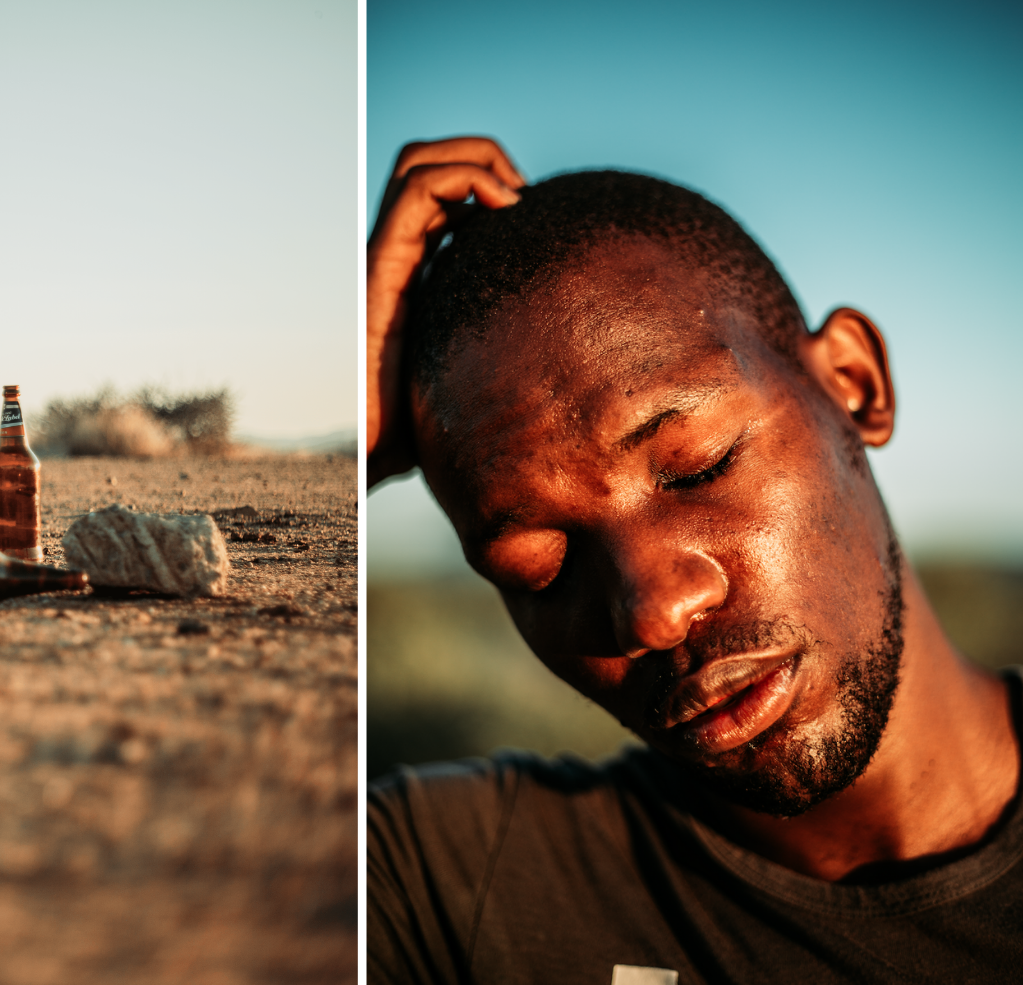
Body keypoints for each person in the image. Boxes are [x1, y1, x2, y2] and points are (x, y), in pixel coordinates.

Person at [366, 137, 1023, 983]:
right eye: (539, 563)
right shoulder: (442, 886)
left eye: (699, 466)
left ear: (855, 384)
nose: (652, 609)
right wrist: (358, 441)